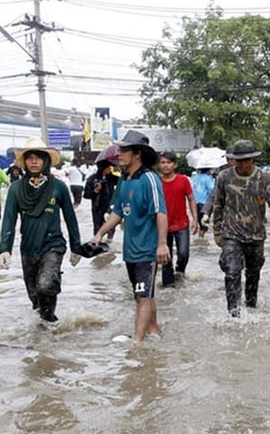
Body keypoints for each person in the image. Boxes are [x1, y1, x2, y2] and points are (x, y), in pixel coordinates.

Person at [88, 130, 170, 342]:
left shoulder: (149, 179)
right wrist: (99, 234)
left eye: (124, 150)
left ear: (137, 154)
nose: (119, 154)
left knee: (143, 296)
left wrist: (162, 244)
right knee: (142, 294)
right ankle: (154, 332)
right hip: (130, 250)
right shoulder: (124, 180)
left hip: (147, 249)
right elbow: (118, 212)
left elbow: (161, 211)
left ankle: (137, 343)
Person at [0, 137, 83, 322]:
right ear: (24, 161)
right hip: (28, 248)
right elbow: (9, 220)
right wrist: (4, 248)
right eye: (30, 158)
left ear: (46, 160)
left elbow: (70, 218)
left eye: (38, 157)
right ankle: (46, 330)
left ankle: (50, 321)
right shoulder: (15, 189)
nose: (34, 161)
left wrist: (76, 247)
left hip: (53, 245)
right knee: (36, 297)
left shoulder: (58, 187)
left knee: (45, 284)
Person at [207, 139, 270, 317]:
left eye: (247, 159)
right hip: (231, 233)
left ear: (253, 159)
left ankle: (251, 305)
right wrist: (217, 231)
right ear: (234, 160)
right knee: (232, 272)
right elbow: (218, 204)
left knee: (253, 273)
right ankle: (233, 314)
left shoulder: (264, 178)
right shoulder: (224, 177)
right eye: (239, 160)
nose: (243, 163)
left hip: (256, 236)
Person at [158, 152, 198, 288]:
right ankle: (168, 287)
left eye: (168, 162)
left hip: (181, 224)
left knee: (183, 253)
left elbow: (191, 199)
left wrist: (195, 219)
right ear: (159, 165)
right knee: (165, 258)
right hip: (162, 226)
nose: (166, 165)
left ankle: (180, 273)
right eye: (163, 162)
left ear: (175, 165)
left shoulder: (183, 180)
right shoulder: (157, 182)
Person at [83, 159, 119, 237]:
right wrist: (95, 191)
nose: (110, 169)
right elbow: (86, 195)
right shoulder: (92, 179)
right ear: (103, 168)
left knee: (112, 225)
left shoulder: (112, 178)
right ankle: (97, 243)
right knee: (97, 226)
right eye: (108, 167)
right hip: (97, 207)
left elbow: (122, 181)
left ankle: (110, 241)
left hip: (109, 206)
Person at [191, 166, 216, 239]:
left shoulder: (195, 178)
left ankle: (199, 238)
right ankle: (201, 239)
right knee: (204, 224)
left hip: (195, 203)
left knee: (199, 222)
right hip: (205, 204)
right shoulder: (208, 178)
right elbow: (212, 190)